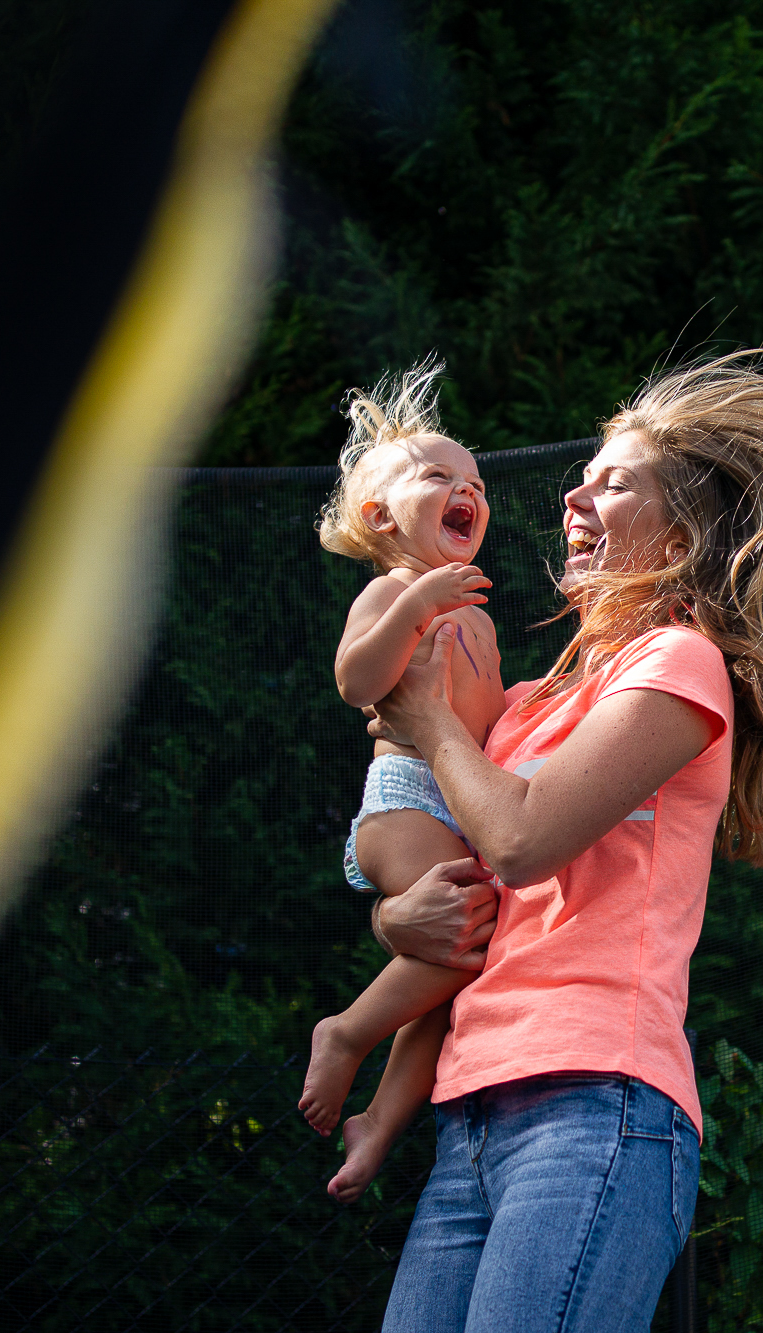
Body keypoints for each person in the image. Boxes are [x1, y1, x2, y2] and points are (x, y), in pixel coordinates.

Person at [363, 353, 763, 1333]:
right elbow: (452, 875)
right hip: (468, 1113)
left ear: (680, 528)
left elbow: (515, 839)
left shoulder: (679, 663)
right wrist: (394, 910)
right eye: (578, 479)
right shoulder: (520, 708)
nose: (572, 497)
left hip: (596, 1109)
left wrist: (429, 723)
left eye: (611, 482)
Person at [300, 360, 505, 1204]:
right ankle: (345, 1032)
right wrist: (420, 600)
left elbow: (492, 727)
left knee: (453, 971)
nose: (468, 491)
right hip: (406, 799)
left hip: (461, 808)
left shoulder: (483, 617)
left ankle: (380, 1121)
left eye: (477, 483)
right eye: (439, 478)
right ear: (380, 515)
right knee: (465, 940)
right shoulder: (392, 592)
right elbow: (356, 680)